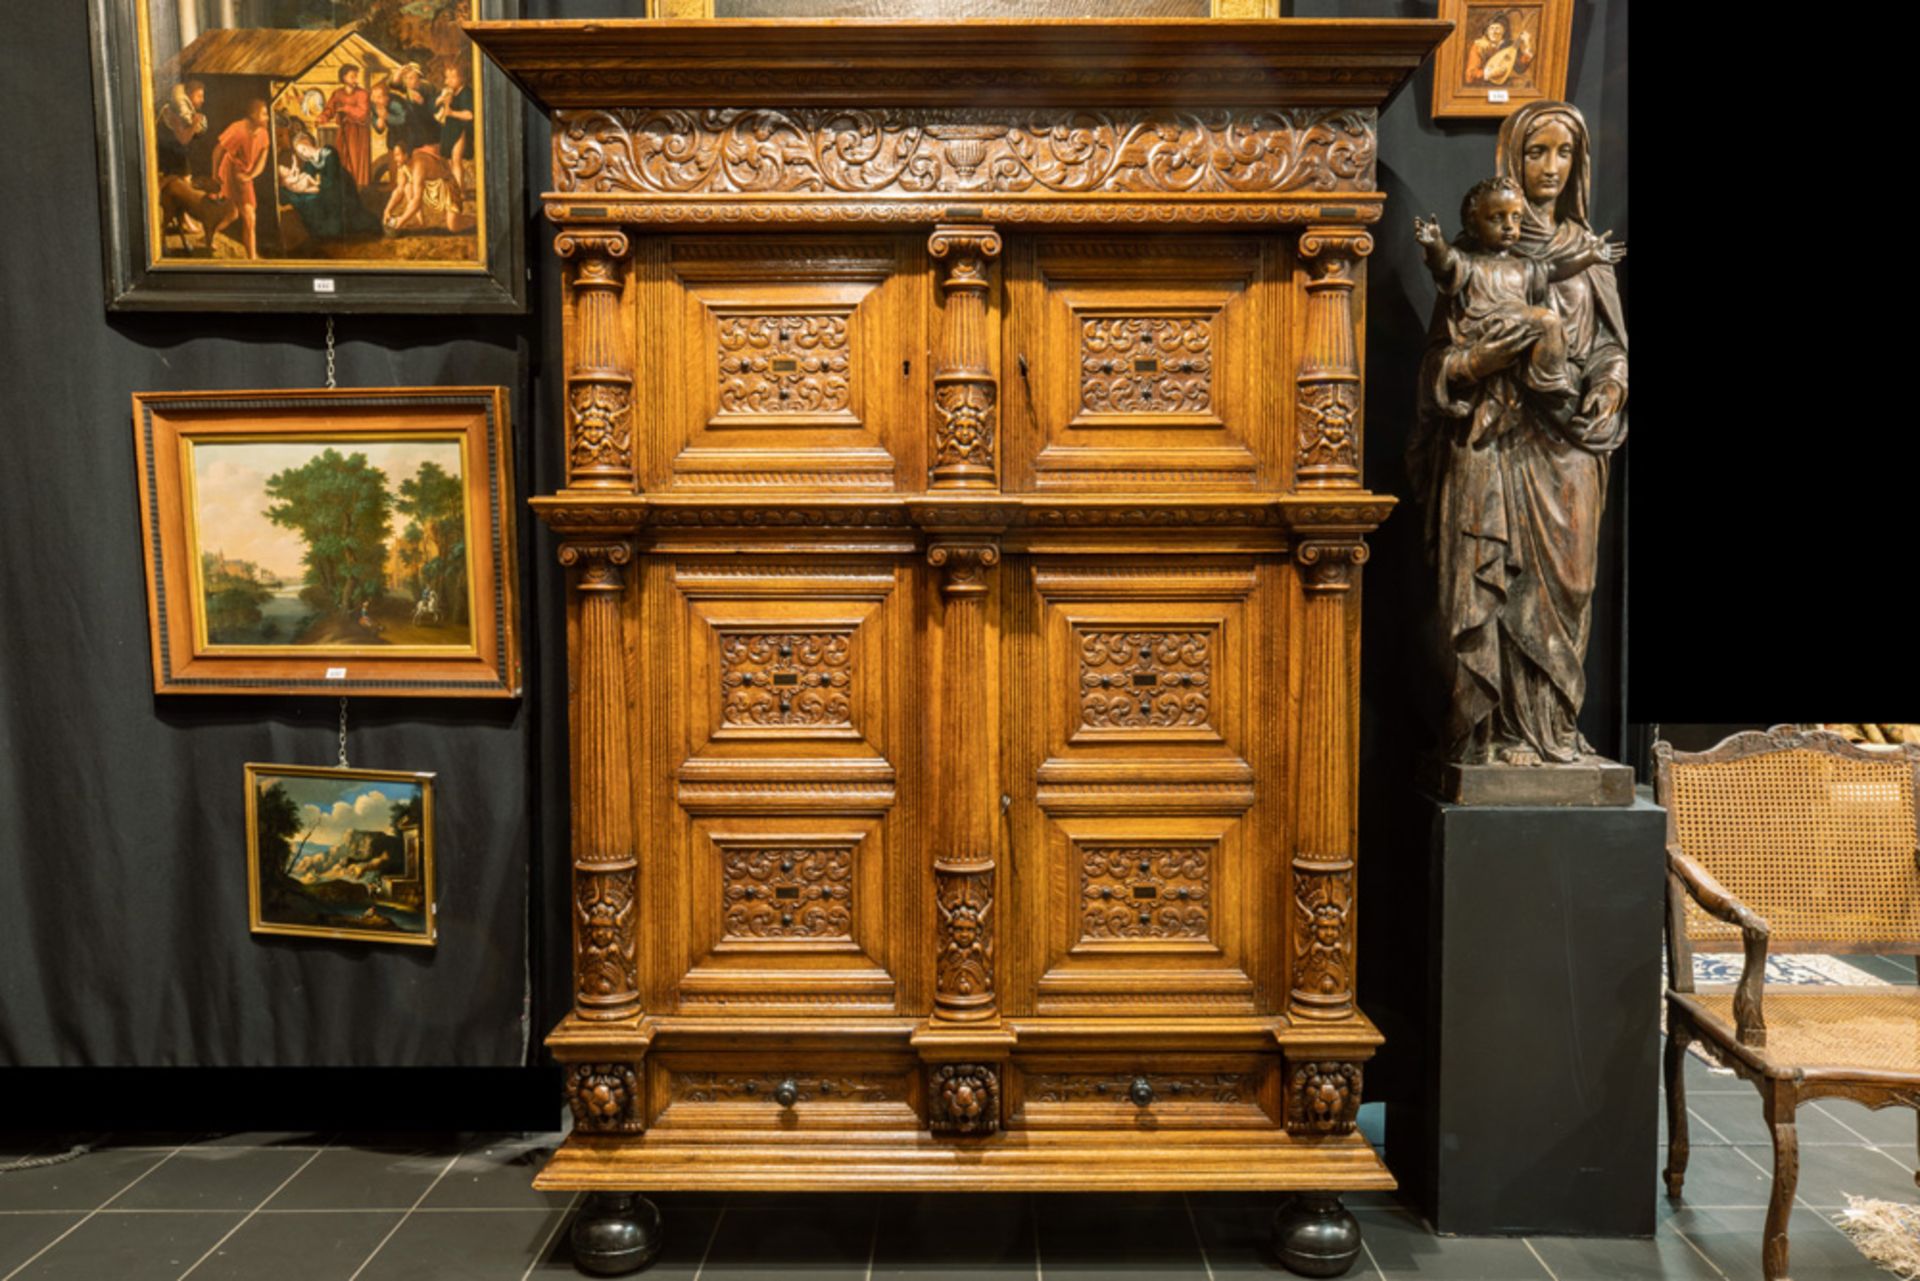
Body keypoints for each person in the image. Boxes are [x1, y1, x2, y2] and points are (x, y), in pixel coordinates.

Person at [1409, 101, 1629, 767]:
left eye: (1565, 154)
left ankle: (1554, 730)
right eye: (1537, 153)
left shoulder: (1586, 256)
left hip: (1569, 450)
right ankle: (1496, 735)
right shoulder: (1480, 256)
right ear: (1511, 160)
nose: (1552, 168)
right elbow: (1438, 365)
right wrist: (1476, 364)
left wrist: (1612, 386)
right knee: (1494, 588)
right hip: (1497, 444)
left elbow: (1612, 350)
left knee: (1569, 589)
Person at [1412, 176, 1624, 444]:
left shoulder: (1525, 267)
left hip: (1548, 410)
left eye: (1515, 218)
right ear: (1475, 225)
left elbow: (1556, 270)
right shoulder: (1468, 262)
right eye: (1497, 218)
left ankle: (1546, 386)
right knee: (1546, 321)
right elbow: (1444, 263)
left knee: (1547, 323)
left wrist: (1588, 256)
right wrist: (1434, 244)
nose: (1549, 170)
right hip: (1484, 338)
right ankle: (1549, 384)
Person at [279, 131, 380, 239]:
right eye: (301, 153)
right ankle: (321, 231)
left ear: (308, 142)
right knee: (309, 200)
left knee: (347, 216)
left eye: (303, 149)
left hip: (341, 185)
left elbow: (332, 177)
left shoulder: (328, 152)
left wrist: (317, 186)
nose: (304, 153)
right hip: (325, 187)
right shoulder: (309, 163)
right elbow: (306, 177)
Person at [209, 99, 271, 258]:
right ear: (252, 115)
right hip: (231, 172)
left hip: (244, 176)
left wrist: (251, 175)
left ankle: (209, 233)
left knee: (232, 214)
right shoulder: (237, 129)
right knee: (250, 217)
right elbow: (218, 151)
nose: (267, 118)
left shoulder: (263, 133)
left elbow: (262, 160)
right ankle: (252, 258)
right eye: (264, 114)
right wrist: (215, 174)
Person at [383, 139, 467, 233]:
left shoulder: (419, 164)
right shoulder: (403, 165)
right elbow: (399, 190)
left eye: (397, 155)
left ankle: (479, 220)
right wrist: (387, 210)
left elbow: (417, 200)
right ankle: (420, 222)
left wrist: (401, 221)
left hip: (446, 189)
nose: (395, 159)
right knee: (408, 188)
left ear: (406, 154)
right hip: (429, 189)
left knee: (454, 226)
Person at [318, 64, 372, 189]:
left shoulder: (362, 93)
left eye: (356, 76)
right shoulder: (338, 94)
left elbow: (363, 113)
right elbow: (330, 109)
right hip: (344, 130)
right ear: (344, 77)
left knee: (356, 160)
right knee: (342, 157)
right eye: (352, 76)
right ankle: (344, 186)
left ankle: (358, 188)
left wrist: (346, 109)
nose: (355, 79)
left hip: (358, 132)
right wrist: (323, 117)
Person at [434, 61, 475, 190]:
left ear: (462, 78)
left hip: (461, 129)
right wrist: (441, 101)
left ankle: (459, 190)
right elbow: (436, 108)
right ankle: (454, 189)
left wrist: (451, 112)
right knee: (450, 161)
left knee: (456, 159)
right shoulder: (449, 92)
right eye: (447, 77)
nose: (448, 81)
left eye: (453, 77)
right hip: (450, 129)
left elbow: (470, 115)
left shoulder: (466, 93)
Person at [1464, 12, 1534, 88]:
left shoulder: (1510, 45)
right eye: (1491, 28)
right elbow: (1469, 76)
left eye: (1497, 28)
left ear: (1503, 31)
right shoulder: (1479, 46)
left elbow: (1520, 68)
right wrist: (1490, 73)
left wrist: (1527, 44)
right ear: (1487, 31)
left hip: (1505, 86)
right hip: (1483, 87)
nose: (1494, 32)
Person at [156, 80, 207, 177]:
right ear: (189, 95)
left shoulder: (186, 113)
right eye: (199, 96)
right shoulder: (175, 111)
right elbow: (183, 139)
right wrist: (194, 124)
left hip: (176, 158)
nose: (202, 100)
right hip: (168, 161)